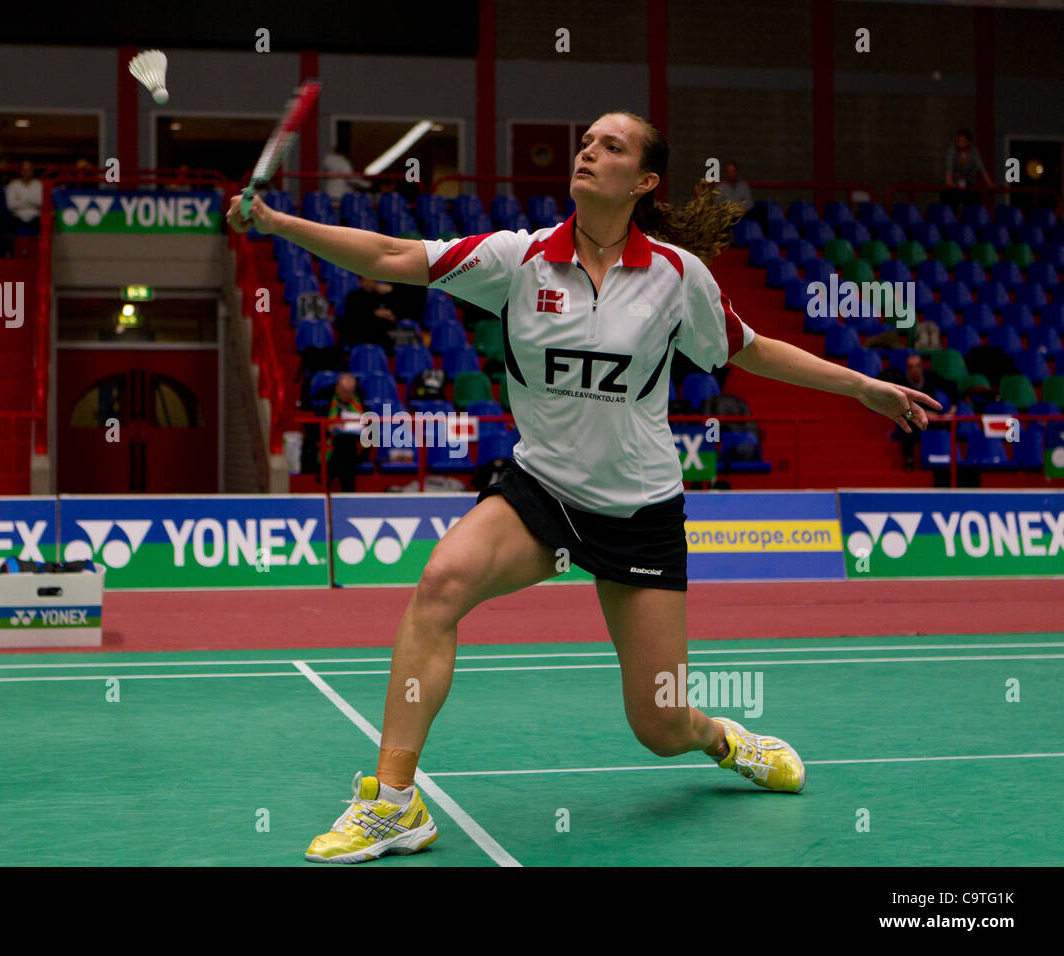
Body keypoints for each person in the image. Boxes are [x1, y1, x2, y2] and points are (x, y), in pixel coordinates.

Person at [227, 109, 941, 864]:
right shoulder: (519, 258)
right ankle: (394, 802)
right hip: (542, 491)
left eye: (612, 146)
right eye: (586, 142)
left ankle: (721, 737)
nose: (589, 152)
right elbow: (392, 253)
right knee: (440, 583)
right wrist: (277, 221)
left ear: (645, 181)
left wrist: (863, 385)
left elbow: (751, 350)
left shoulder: (676, 279)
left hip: (640, 511)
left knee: (660, 727)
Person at [881, 352, 937, 469]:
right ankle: (909, 459)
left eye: (917, 366)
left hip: (933, 420)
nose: (915, 370)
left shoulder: (931, 377)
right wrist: (919, 415)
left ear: (922, 367)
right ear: (907, 370)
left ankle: (936, 458)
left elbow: (951, 387)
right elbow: (902, 408)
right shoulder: (902, 382)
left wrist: (953, 409)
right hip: (910, 415)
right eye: (911, 367)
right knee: (906, 422)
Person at [324, 372, 367, 492]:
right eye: (345, 392)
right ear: (337, 389)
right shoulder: (328, 402)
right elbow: (325, 427)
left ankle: (333, 477)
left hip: (355, 447)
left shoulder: (360, 403)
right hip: (333, 445)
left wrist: (362, 427)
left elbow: (369, 430)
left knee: (346, 446)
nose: (349, 395)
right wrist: (335, 428)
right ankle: (347, 489)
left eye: (351, 392)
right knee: (343, 445)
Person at [339, 275, 398, 352]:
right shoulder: (354, 295)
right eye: (365, 280)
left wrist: (392, 291)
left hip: (378, 334)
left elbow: (392, 315)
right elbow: (354, 315)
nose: (368, 283)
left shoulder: (380, 296)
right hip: (357, 332)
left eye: (371, 280)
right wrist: (375, 313)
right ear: (361, 281)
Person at [942, 128, 994, 210]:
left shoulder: (973, 152)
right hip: (954, 184)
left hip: (969, 183)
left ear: (968, 142)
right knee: (949, 197)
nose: (959, 143)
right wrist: (950, 183)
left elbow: (981, 168)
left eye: (962, 141)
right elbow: (949, 168)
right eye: (958, 140)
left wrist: (990, 184)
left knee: (974, 199)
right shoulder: (952, 151)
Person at [4, 160, 42, 234]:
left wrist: (20, 200)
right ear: (20, 171)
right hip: (17, 217)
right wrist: (30, 201)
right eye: (24, 170)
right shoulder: (13, 185)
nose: (26, 172)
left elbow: (40, 202)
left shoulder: (39, 185)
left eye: (28, 170)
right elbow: (10, 205)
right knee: (7, 222)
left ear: (32, 171)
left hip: (35, 217)